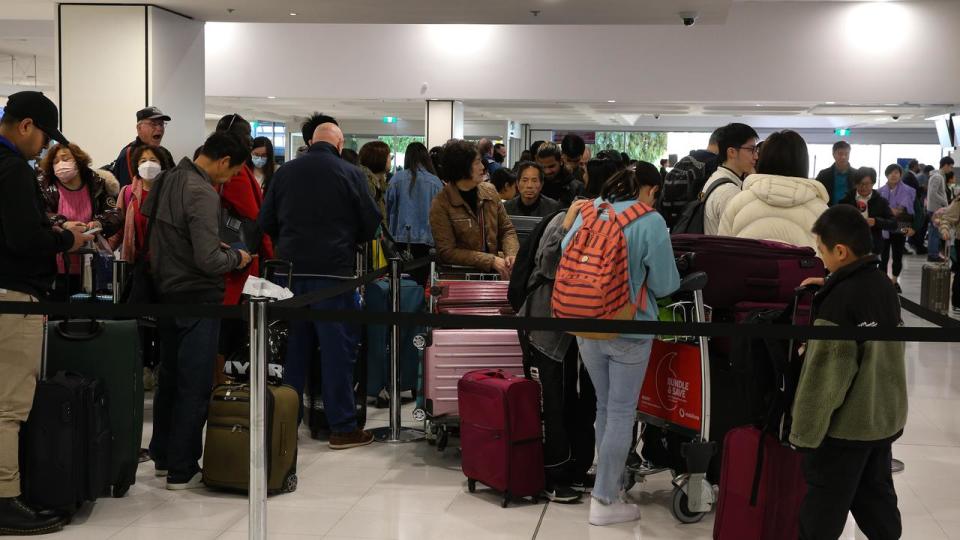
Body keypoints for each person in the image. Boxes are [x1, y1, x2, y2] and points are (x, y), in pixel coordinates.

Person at [561, 163, 680, 526]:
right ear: (649, 189)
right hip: (628, 327)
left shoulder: (591, 210)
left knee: (604, 406)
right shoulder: (651, 221)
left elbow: (565, 250)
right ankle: (604, 499)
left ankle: (608, 484)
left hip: (583, 323)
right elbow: (665, 285)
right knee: (621, 411)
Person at [260, 119, 381, 449]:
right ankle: (342, 427)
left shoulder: (284, 173)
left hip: (290, 275)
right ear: (340, 144)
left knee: (294, 352)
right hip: (335, 276)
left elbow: (265, 221)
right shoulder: (351, 173)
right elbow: (370, 224)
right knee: (337, 352)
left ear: (311, 142)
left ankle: (284, 423)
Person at [0, 91, 90, 535]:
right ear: (25, 126)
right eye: (43, 138)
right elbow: (21, 240)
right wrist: (65, 240)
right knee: (8, 405)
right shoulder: (12, 169)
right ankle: (5, 500)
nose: (45, 150)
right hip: (13, 297)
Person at [143, 131, 253, 489]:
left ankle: (162, 455)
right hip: (198, 295)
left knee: (170, 379)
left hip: (166, 292)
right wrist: (236, 256)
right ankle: (182, 467)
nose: (233, 178)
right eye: (234, 171)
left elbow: (165, 236)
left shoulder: (168, 178)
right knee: (194, 382)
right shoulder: (202, 191)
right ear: (223, 161)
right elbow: (208, 260)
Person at [792, 205, 907, 540]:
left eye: (822, 251)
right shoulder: (884, 286)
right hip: (881, 419)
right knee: (877, 499)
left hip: (844, 430)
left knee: (822, 512)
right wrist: (831, 281)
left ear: (840, 251)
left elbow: (826, 378)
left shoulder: (840, 303)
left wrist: (804, 435)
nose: (820, 258)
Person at [38, 142, 123, 301]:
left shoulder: (96, 183)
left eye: (65, 158)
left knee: (88, 316)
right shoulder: (44, 185)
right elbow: (39, 214)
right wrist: (63, 223)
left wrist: (99, 223)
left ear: (77, 160)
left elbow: (115, 214)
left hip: (91, 267)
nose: (60, 164)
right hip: (55, 266)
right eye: (55, 161)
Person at [719, 130, 829, 251]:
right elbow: (827, 262)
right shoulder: (820, 210)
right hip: (800, 270)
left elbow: (723, 251)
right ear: (803, 162)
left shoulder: (739, 202)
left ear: (763, 160)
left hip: (746, 269)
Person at [429, 139, 519, 278]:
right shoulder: (441, 203)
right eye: (477, 162)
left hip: (493, 276)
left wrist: (512, 254)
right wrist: (490, 260)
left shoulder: (489, 191)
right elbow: (447, 251)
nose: (483, 167)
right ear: (462, 167)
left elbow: (507, 230)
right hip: (459, 278)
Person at [214, 114, 274, 306]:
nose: (250, 139)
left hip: (229, 252)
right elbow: (254, 217)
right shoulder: (236, 171)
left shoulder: (229, 165)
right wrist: (270, 254)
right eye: (246, 134)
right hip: (240, 257)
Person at [386, 142, 443, 284]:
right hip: (427, 242)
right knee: (421, 283)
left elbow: (388, 209)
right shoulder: (435, 182)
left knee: (400, 283)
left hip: (400, 239)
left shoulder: (396, 179)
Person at [111, 144, 175, 263]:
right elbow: (118, 227)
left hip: (166, 264)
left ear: (161, 165)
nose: (148, 164)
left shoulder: (171, 192)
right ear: (137, 166)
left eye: (153, 160)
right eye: (143, 161)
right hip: (136, 262)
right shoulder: (127, 192)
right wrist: (104, 250)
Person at [701, 123, 759, 235]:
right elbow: (737, 239)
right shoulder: (729, 192)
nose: (756, 156)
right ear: (732, 152)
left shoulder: (717, 177)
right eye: (750, 150)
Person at [110, 106, 171, 188]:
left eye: (161, 124)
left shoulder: (165, 153)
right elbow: (129, 193)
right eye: (153, 124)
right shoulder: (128, 154)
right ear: (139, 128)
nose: (159, 128)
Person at [839, 167, 896, 255]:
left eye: (867, 184)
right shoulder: (846, 201)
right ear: (855, 184)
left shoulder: (880, 201)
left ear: (873, 183)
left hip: (873, 248)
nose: (863, 187)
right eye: (860, 184)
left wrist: (876, 221)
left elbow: (893, 224)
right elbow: (837, 223)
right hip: (849, 247)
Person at [878, 164, 916, 291]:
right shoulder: (879, 191)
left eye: (896, 172)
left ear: (900, 174)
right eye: (890, 173)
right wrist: (890, 210)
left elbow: (913, 210)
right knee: (883, 256)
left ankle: (894, 281)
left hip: (902, 226)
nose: (893, 175)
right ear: (886, 175)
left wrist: (913, 227)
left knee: (898, 255)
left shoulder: (909, 190)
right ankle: (883, 281)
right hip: (884, 226)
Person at [536, 142, 584, 208]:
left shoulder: (576, 187)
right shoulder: (535, 185)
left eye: (551, 166)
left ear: (561, 161)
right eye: (542, 167)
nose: (546, 171)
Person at [926, 157, 954, 262]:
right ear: (945, 165)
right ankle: (933, 255)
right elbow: (933, 193)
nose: (951, 169)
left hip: (935, 208)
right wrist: (944, 202)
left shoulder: (938, 176)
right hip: (935, 209)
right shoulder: (937, 177)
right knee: (934, 233)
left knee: (935, 232)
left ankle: (934, 254)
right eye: (950, 167)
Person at [359, 141, 391, 223]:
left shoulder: (378, 184)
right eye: (388, 156)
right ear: (379, 158)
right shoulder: (366, 185)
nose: (390, 159)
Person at [815, 141, 855, 206]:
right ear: (833, 155)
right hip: (828, 212)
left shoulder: (856, 174)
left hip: (851, 212)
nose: (843, 157)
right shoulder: (823, 175)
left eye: (846, 154)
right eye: (840, 154)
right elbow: (816, 193)